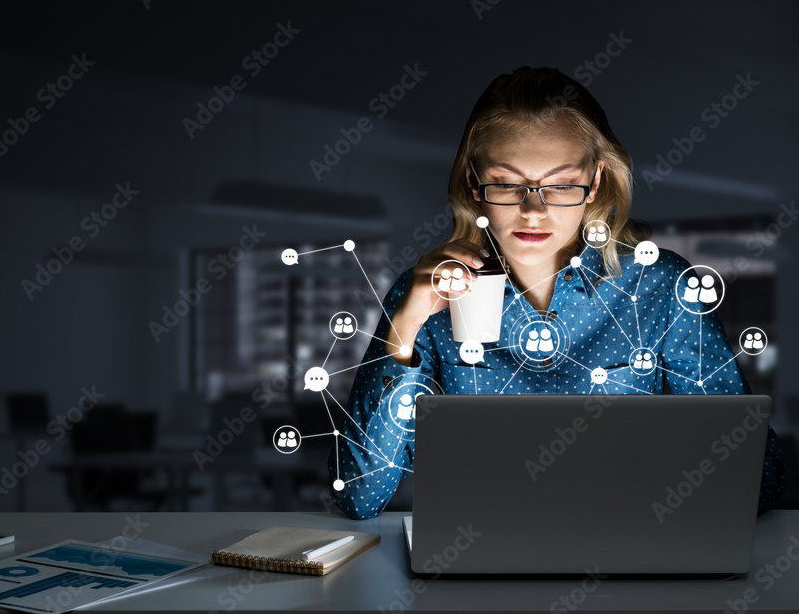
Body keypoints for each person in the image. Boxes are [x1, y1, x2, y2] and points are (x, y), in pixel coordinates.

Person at [328, 66, 786, 520]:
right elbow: (358, 496)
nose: (533, 211)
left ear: (595, 182)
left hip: (632, 558)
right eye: (507, 184)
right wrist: (403, 333)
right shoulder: (426, 293)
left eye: (562, 184)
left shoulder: (662, 286)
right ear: (474, 183)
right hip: (472, 561)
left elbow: (759, 479)